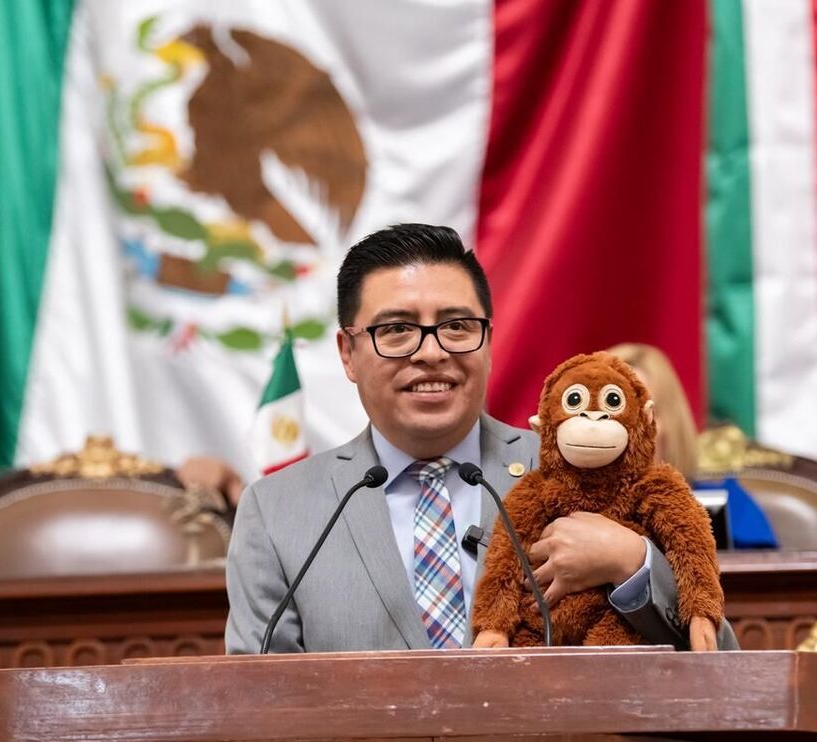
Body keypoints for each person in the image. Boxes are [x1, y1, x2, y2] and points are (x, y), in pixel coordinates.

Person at [225, 224, 738, 653]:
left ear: (488, 341)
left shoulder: (584, 471)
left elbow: (724, 666)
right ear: (347, 353)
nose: (431, 353)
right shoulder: (278, 512)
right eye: (397, 330)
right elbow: (252, 705)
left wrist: (633, 563)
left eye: (457, 326)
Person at [607, 343, 777, 549]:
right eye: (611, 414)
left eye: (642, 413)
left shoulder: (731, 506)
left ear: (672, 424)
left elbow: (763, 577)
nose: (625, 430)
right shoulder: (566, 513)